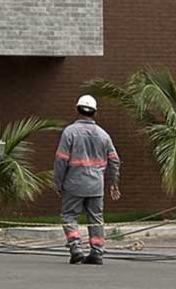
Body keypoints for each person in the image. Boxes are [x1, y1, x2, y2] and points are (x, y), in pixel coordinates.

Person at [54, 94, 120, 265]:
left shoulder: (70, 132)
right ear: (94, 112)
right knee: (96, 218)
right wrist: (113, 183)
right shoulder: (103, 135)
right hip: (96, 185)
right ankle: (97, 252)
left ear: (77, 109)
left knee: (69, 216)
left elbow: (61, 159)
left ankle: (76, 248)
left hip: (73, 184)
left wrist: (58, 182)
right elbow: (114, 160)